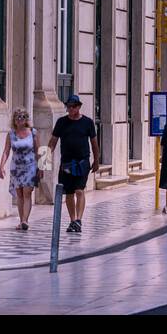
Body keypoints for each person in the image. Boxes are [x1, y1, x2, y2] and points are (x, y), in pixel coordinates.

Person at [48, 95, 98, 233]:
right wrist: (44, 161)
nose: (70, 109)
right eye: (68, 106)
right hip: (67, 163)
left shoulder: (87, 122)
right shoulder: (61, 122)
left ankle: (78, 220)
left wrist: (96, 161)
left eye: (73, 106)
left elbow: (94, 143)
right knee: (69, 193)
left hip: (82, 162)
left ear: (79, 107)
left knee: (79, 190)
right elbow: (53, 141)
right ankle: (72, 220)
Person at [0, 108, 38, 229]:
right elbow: (6, 151)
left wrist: (43, 169)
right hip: (16, 168)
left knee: (27, 193)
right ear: (14, 120)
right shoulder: (11, 134)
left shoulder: (33, 132)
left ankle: (25, 221)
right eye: (18, 117)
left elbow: (39, 150)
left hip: (30, 167)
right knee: (19, 194)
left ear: (26, 119)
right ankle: (22, 221)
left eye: (23, 117)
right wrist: (1, 166)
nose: (20, 120)